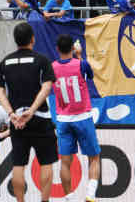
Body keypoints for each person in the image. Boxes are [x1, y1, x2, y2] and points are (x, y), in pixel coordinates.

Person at [0, 22, 57, 202]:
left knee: (18, 164)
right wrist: (31, 111)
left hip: (16, 122)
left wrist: (11, 114)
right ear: (33, 39)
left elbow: (0, 91)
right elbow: (47, 87)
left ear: (16, 40)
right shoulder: (42, 60)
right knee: (46, 162)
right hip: (40, 119)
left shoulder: (5, 62)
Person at [52, 34, 100, 202]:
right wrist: (79, 55)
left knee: (65, 162)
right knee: (94, 157)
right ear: (73, 48)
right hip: (83, 117)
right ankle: (90, 194)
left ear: (57, 49)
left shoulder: (52, 67)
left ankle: (69, 198)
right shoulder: (81, 64)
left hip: (63, 119)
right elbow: (90, 76)